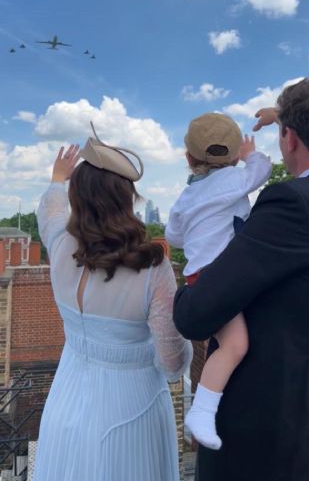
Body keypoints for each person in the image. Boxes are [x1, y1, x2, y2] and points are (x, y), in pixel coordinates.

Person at [173, 77, 309, 481]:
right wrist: (286, 117)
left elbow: (197, 315)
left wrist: (179, 293)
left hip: (272, 433)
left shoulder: (293, 205)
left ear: (290, 139)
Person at [33, 125, 192, 481]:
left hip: (65, 402)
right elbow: (172, 364)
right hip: (131, 410)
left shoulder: (59, 244)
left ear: (79, 196)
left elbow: (50, 209)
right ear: (126, 198)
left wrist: (58, 178)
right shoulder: (152, 268)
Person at [165, 113, 271, 449]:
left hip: (201, 276)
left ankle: (207, 406)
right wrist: (251, 154)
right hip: (222, 278)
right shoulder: (237, 179)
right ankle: (203, 411)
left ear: (188, 157)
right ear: (235, 154)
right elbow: (263, 170)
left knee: (228, 342)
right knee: (236, 345)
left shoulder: (186, 197)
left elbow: (174, 237)